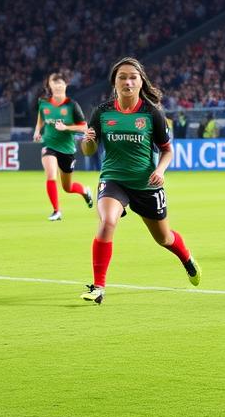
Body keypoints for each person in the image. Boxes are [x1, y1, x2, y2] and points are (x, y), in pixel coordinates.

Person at [79, 57, 200, 304]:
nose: (127, 81)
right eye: (122, 76)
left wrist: (161, 170)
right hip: (114, 179)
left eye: (133, 77)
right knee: (107, 221)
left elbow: (167, 150)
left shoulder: (151, 113)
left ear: (140, 81)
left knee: (163, 239)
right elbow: (88, 151)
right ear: (114, 82)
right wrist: (88, 141)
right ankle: (98, 287)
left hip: (146, 185)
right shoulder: (101, 112)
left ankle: (187, 259)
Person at [32, 72, 92, 221]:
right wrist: (37, 131)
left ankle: (85, 191)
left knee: (67, 187)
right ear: (49, 86)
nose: (58, 85)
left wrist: (66, 128)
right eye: (55, 82)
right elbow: (41, 116)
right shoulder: (43, 102)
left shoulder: (72, 105)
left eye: (61, 83)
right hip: (49, 145)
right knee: (51, 175)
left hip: (67, 149)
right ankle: (56, 211)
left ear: (66, 85)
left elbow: (84, 127)